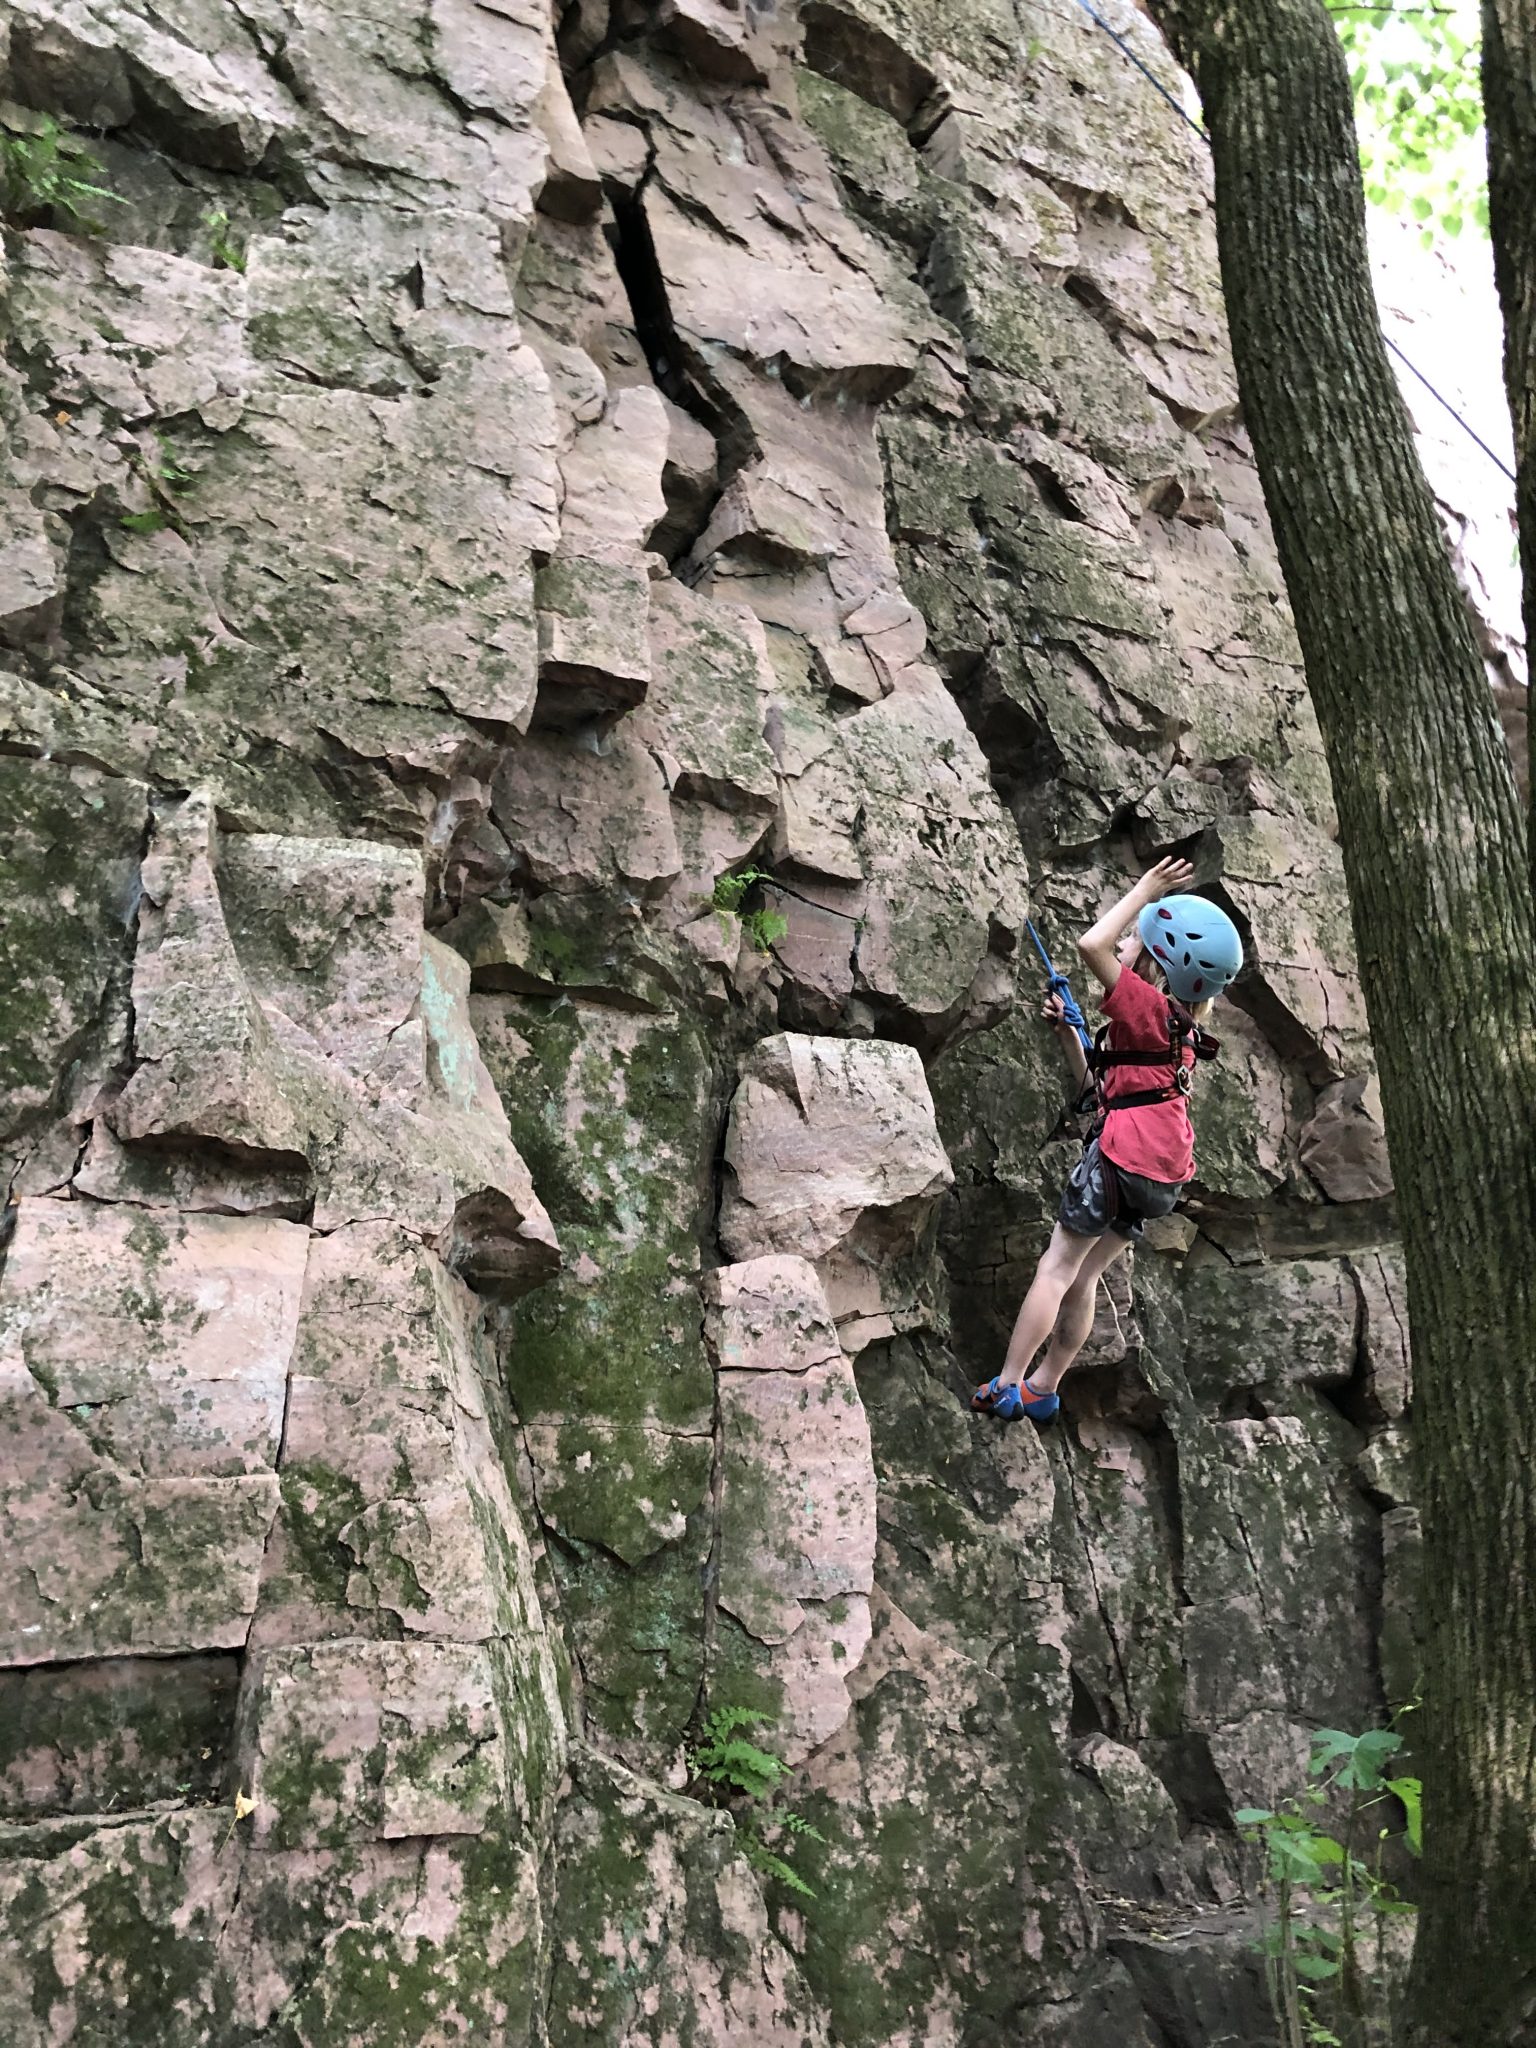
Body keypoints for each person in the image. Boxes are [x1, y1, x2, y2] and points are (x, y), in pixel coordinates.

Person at [971, 857, 1243, 1425]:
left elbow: (1091, 944)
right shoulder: (1178, 1031)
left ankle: (1008, 1383)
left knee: (1057, 1268)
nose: (1121, 950)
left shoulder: (1146, 1004)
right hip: (1160, 1176)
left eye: (1134, 945)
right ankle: (1045, 1388)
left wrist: (1145, 891)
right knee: (1085, 1276)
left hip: (1121, 1161)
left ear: (1153, 960)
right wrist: (1072, 1034)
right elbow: (1102, 1091)